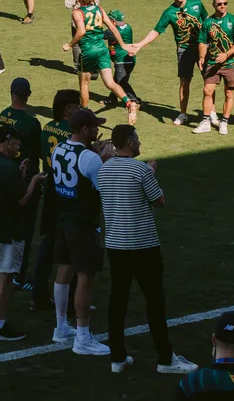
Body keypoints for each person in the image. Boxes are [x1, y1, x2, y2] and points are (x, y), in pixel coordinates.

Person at [97, 123, 197, 376]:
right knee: (155, 301)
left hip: (116, 245)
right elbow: (159, 201)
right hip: (143, 246)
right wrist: (151, 173)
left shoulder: (103, 170)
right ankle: (165, 358)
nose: (140, 142)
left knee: (117, 300)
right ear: (129, 143)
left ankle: (117, 357)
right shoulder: (141, 169)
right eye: (137, 139)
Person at [0, 122, 46, 343]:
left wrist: (20, 172)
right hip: (5, 228)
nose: (18, 148)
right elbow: (23, 200)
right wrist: (33, 181)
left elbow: (2, 186)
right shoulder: (6, 167)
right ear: (6, 142)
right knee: (4, 277)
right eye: (16, 144)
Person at [51, 108, 111, 355]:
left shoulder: (58, 150)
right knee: (85, 277)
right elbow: (104, 187)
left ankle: (61, 327)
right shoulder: (91, 159)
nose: (98, 131)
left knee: (64, 270)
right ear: (85, 129)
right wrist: (105, 159)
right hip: (84, 223)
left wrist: (94, 152)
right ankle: (83, 337)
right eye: (95, 127)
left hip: (64, 218)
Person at [129, 0, 208, 127]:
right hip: (184, 50)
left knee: (208, 81)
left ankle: (211, 114)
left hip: (202, 47)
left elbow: (208, 22)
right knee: (184, 82)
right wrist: (140, 45)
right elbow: (157, 30)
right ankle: (183, 113)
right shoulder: (169, 12)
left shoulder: (197, 3)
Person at [31, 88, 80, 311]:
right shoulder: (71, 132)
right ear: (69, 109)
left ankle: (39, 295)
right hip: (66, 193)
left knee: (48, 246)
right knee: (71, 249)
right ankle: (71, 301)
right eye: (77, 105)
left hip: (50, 188)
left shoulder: (47, 128)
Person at [63, 0, 138, 120]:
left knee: (84, 83)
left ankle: (85, 115)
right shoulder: (99, 10)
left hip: (88, 50)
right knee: (110, 83)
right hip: (102, 50)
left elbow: (81, 31)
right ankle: (129, 102)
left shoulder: (77, 12)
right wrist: (123, 45)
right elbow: (113, 28)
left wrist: (69, 44)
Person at [0, 77, 43, 290]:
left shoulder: (3, 114)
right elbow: (40, 151)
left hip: (4, 175)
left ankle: (4, 268)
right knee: (25, 230)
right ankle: (19, 275)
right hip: (24, 178)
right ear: (29, 95)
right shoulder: (31, 123)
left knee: (8, 225)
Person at [195, 0, 234, 136]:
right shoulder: (208, 22)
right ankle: (205, 121)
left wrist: (226, 54)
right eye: (219, 4)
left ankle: (224, 122)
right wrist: (202, 56)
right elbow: (202, 41)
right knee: (207, 90)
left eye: (225, 3)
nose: (222, 6)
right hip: (212, 63)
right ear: (213, 5)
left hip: (231, 63)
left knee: (229, 93)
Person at [63, 0, 103, 72]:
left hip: (79, 20)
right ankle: (94, 66)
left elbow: (68, 4)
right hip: (94, 21)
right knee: (92, 43)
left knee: (76, 45)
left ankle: (78, 67)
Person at [105, 9, 139, 105]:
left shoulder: (110, 32)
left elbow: (99, 36)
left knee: (121, 81)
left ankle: (134, 100)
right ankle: (112, 98)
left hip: (121, 61)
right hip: (130, 59)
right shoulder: (128, 27)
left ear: (113, 21)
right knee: (116, 81)